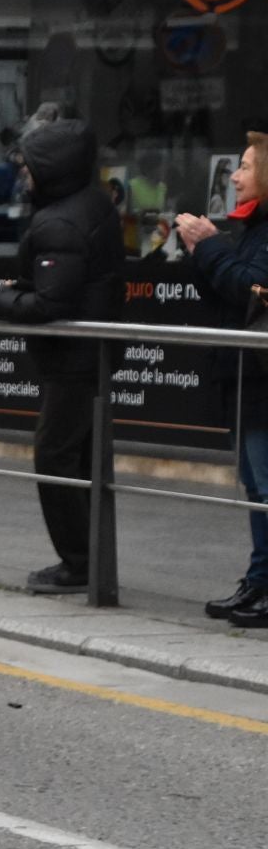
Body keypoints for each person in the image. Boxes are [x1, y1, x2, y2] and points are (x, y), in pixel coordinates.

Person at [0, 117, 123, 594]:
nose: (23, 175)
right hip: (91, 358)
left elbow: (50, 302)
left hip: (72, 361)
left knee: (55, 456)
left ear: (51, 171)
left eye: (29, 167)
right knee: (84, 462)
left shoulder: (59, 222)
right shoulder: (93, 205)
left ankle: (79, 563)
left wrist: (0, 297)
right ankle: (92, 558)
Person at [176, 133, 268, 626]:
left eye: (247, 167)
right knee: (255, 486)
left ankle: (263, 585)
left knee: (265, 486)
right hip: (244, 373)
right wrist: (199, 253)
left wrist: (210, 248)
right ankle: (257, 582)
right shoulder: (251, 227)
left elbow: (253, 292)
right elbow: (227, 297)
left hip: (261, 378)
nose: (234, 174)